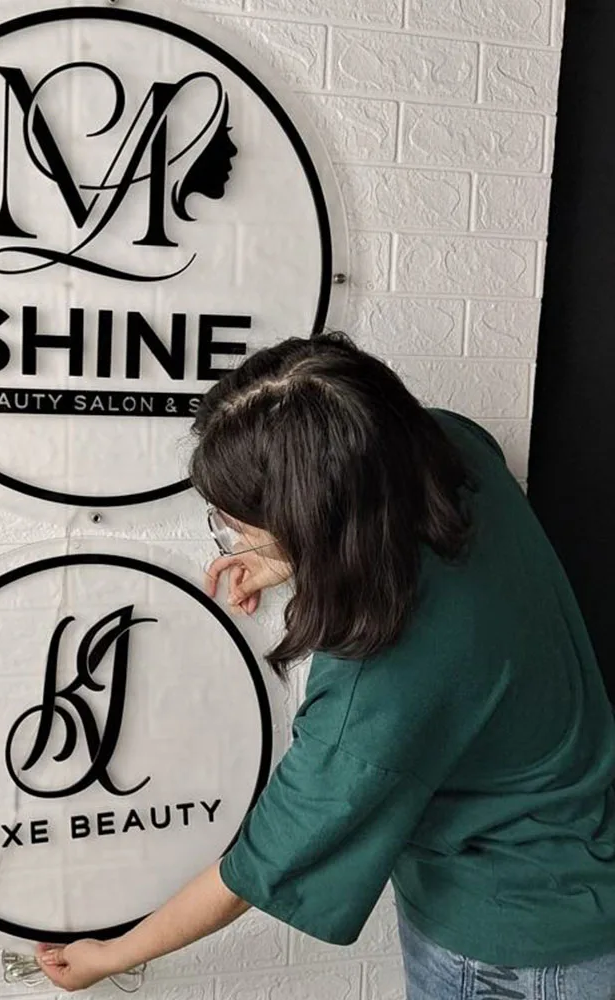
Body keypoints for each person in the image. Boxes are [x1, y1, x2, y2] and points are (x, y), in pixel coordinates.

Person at [35, 333, 615, 998]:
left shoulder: (381, 677)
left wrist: (111, 956)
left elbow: (265, 861)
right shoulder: (445, 447)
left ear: (312, 520)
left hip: (513, 944)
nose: (233, 537)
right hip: (584, 853)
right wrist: (287, 558)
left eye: (239, 524)